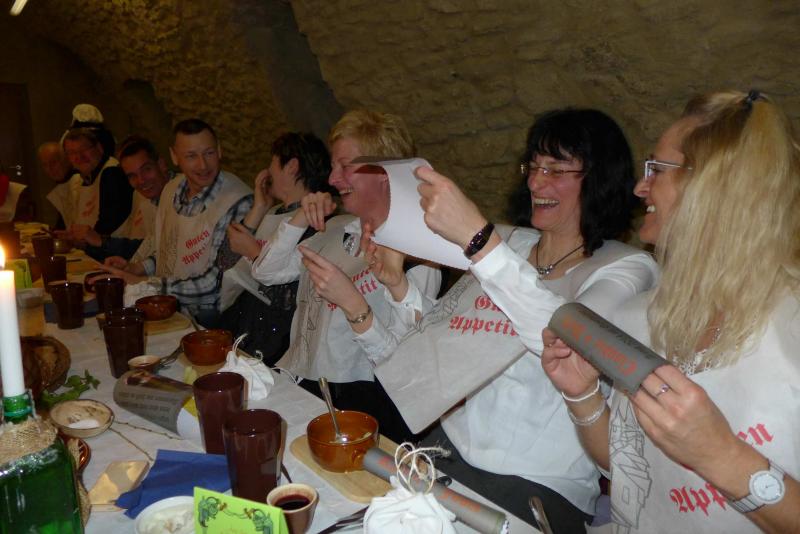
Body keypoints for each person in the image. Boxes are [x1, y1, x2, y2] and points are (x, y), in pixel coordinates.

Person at [376, 109, 659, 532]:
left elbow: (566, 338)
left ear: (599, 178)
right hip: (446, 449)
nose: (536, 182)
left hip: (537, 484)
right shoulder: (511, 244)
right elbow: (445, 339)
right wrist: (399, 286)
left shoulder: (627, 268)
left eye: (556, 169)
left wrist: (479, 241)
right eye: (534, 166)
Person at [542, 91, 800, 533]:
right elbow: (634, 472)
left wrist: (720, 455)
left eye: (657, 170)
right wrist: (581, 395)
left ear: (713, 187)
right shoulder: (641, 316)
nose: (640, 188)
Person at [251, 110, 441, 442]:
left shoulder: (418, 254)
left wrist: (352, 302)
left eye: (344, 166)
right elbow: (266, 272)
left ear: (384, 173)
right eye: (333, 166)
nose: (333, 178)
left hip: (367, 415)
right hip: (306, 390)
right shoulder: (339, 229)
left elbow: (407, 364)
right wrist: (300, 215)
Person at [102, 119, 253, 326]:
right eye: (191, 156)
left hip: (209, 323)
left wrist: (144, 284)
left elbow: (214, 285)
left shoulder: (238, 202)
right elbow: (172, 250)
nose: (203, 165)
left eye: (209, 153)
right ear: (174, 156)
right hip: (167, 309)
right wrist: (137, 268)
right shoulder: (171, 189)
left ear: (219, 151)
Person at [217, 132, 333, 362]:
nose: (268, 170)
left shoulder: (318, 222)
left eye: (272, 162)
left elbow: (293, 297)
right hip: (246, 326)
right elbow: (224, 261)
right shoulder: (273, 212)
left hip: (278, 344)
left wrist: (254, 253)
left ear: (291, 166)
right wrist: (259, 208)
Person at [84, 135, 171, 262]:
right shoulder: (149, 200)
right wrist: (133, 267)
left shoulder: (183, 194)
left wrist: (102, 242)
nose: (141, 180)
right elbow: (152, 247)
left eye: (146, 169)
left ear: (161, 164)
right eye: (132, 176)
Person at [59, 127, 134, 245]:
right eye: (72, 153)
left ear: (99, 148)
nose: (79, 156)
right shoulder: (85, 178)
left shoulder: (111, 172)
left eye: (84, 149)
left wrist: (83, 241)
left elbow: (109, 222)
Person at [38, 141, 78, 229]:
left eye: (53, 162)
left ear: (67, 159)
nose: (49, 169)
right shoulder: (62, 185)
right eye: (45, 165)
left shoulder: (80, 181)